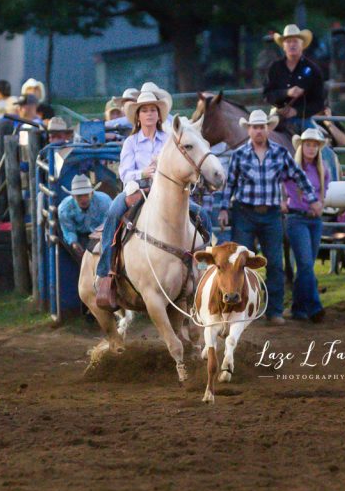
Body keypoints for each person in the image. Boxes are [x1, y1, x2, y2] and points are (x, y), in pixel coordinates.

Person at [94, 90, 212, 293]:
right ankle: (107, 271)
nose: (149, 114)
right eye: (145, 111)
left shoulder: (169, 139)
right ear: (138, 116)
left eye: (153, 110)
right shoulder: (131, 142)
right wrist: (144, 172)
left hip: (169, 193)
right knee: (114, 212)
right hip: (138, 190)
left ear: (159, 115)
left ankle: (205, 266)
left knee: (201, 214)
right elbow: (124, 174)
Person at [218, 109, 320, 325]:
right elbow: (230, 184)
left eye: (262, 127)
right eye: (254, 127)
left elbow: (298, 175)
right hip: (244, 212)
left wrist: (312, 199)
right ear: (249, 130)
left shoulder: (280, 153)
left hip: (272, 214)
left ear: (267, 129)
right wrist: (224, 208)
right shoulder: (239, 155)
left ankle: (274, 311)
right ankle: (240, 308)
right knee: (239, 262)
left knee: (274, 263)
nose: (258, 131)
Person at [284, 128, 331, 323]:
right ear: (302, 146)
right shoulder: (291, 169)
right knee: (305, 264)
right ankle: (314, 306)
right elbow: (278, 184)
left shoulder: (322, 170)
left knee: (306, 266)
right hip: (296, 218)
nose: (311, 149)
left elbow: (323, 193)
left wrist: (319, 205)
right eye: (308, 145)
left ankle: (298, 307)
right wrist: (282, 200)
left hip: (314, 220)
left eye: (314, 145)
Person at [264, 24, 325, 133]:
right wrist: (286, 93)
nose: (292, 44)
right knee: (259, 138)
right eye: (288, 41)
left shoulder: (313, 69)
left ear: (302, 45)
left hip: (303, 120)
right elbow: (267, 95)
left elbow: (319, 103)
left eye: (295, 41)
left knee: (320, 146)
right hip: (276, 117)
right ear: (283, 45)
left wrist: (297, 111)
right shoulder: (275, 68)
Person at [58, 174, 112, 258]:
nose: (83, 199)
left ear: (92, 193)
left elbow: (108, 224)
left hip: (101, 235)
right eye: (79, 196)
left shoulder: (105, 202)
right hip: (79, 235)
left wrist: (100, 238)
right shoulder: (64, 209)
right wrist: (73, 243)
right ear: (73, 196)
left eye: (86, 195)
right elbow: (68, 230)